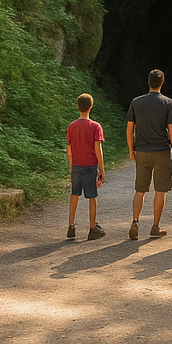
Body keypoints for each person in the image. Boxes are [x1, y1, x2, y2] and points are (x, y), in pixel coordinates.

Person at [126, 69, 172, 239]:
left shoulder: (136, 102)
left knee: (140, 190)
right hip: (161, 152)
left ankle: (135, 221)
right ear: (162, 83)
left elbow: (129, 129)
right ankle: (155, 226)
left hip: (141, 151)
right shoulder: (168, 103)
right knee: (160, 191)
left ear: (148, 82)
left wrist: (130, 148)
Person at [66, 93, 106, 240]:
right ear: (91, 107)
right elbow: (98, 150)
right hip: (90, 166)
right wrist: (102, 169)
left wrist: (71, 165)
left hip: (76, 165)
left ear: (77, 107)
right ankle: (92, 228)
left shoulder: (71, 126)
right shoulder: (95, 126)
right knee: (92, 197)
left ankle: (71, 226)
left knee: (74, 195)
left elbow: (69, 149)